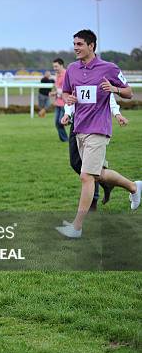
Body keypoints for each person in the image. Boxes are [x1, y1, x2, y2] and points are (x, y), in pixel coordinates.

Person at [55, 29, 140, 239]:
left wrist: (114, 89)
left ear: (91, 45)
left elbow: (129, 92)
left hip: (99, 129)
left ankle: (76, 227)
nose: (75, 47)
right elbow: (66, 92)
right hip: (79, 129)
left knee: (86, 177)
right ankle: (134, 186)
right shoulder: (72, 69)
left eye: (80, 44)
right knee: (98, 173)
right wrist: (68, 100)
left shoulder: (109, 68)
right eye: (74, 44)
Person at [63, 93, 121, 211]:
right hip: (77, 122)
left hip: (94, 123)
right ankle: (107, 184)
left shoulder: (100, 76)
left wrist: (117, 114)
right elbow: (71, 96)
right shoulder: (76, 75)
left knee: (89, 169)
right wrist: (67, 114)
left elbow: (108, 96)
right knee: (76, 163)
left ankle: (93, 202)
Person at [52, 59, 68, 141]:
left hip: (65, 103)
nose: (54, 68)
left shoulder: (66, 74)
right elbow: (58, 88)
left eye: (56, 66)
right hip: (58, 102)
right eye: (54, 66)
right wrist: (54, 93)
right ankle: (64, 139)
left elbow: (67, 89)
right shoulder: (57, 75)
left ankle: (66, 139)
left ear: (61, 65)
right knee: (57, 122)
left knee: (60, 121)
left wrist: (59, 93)